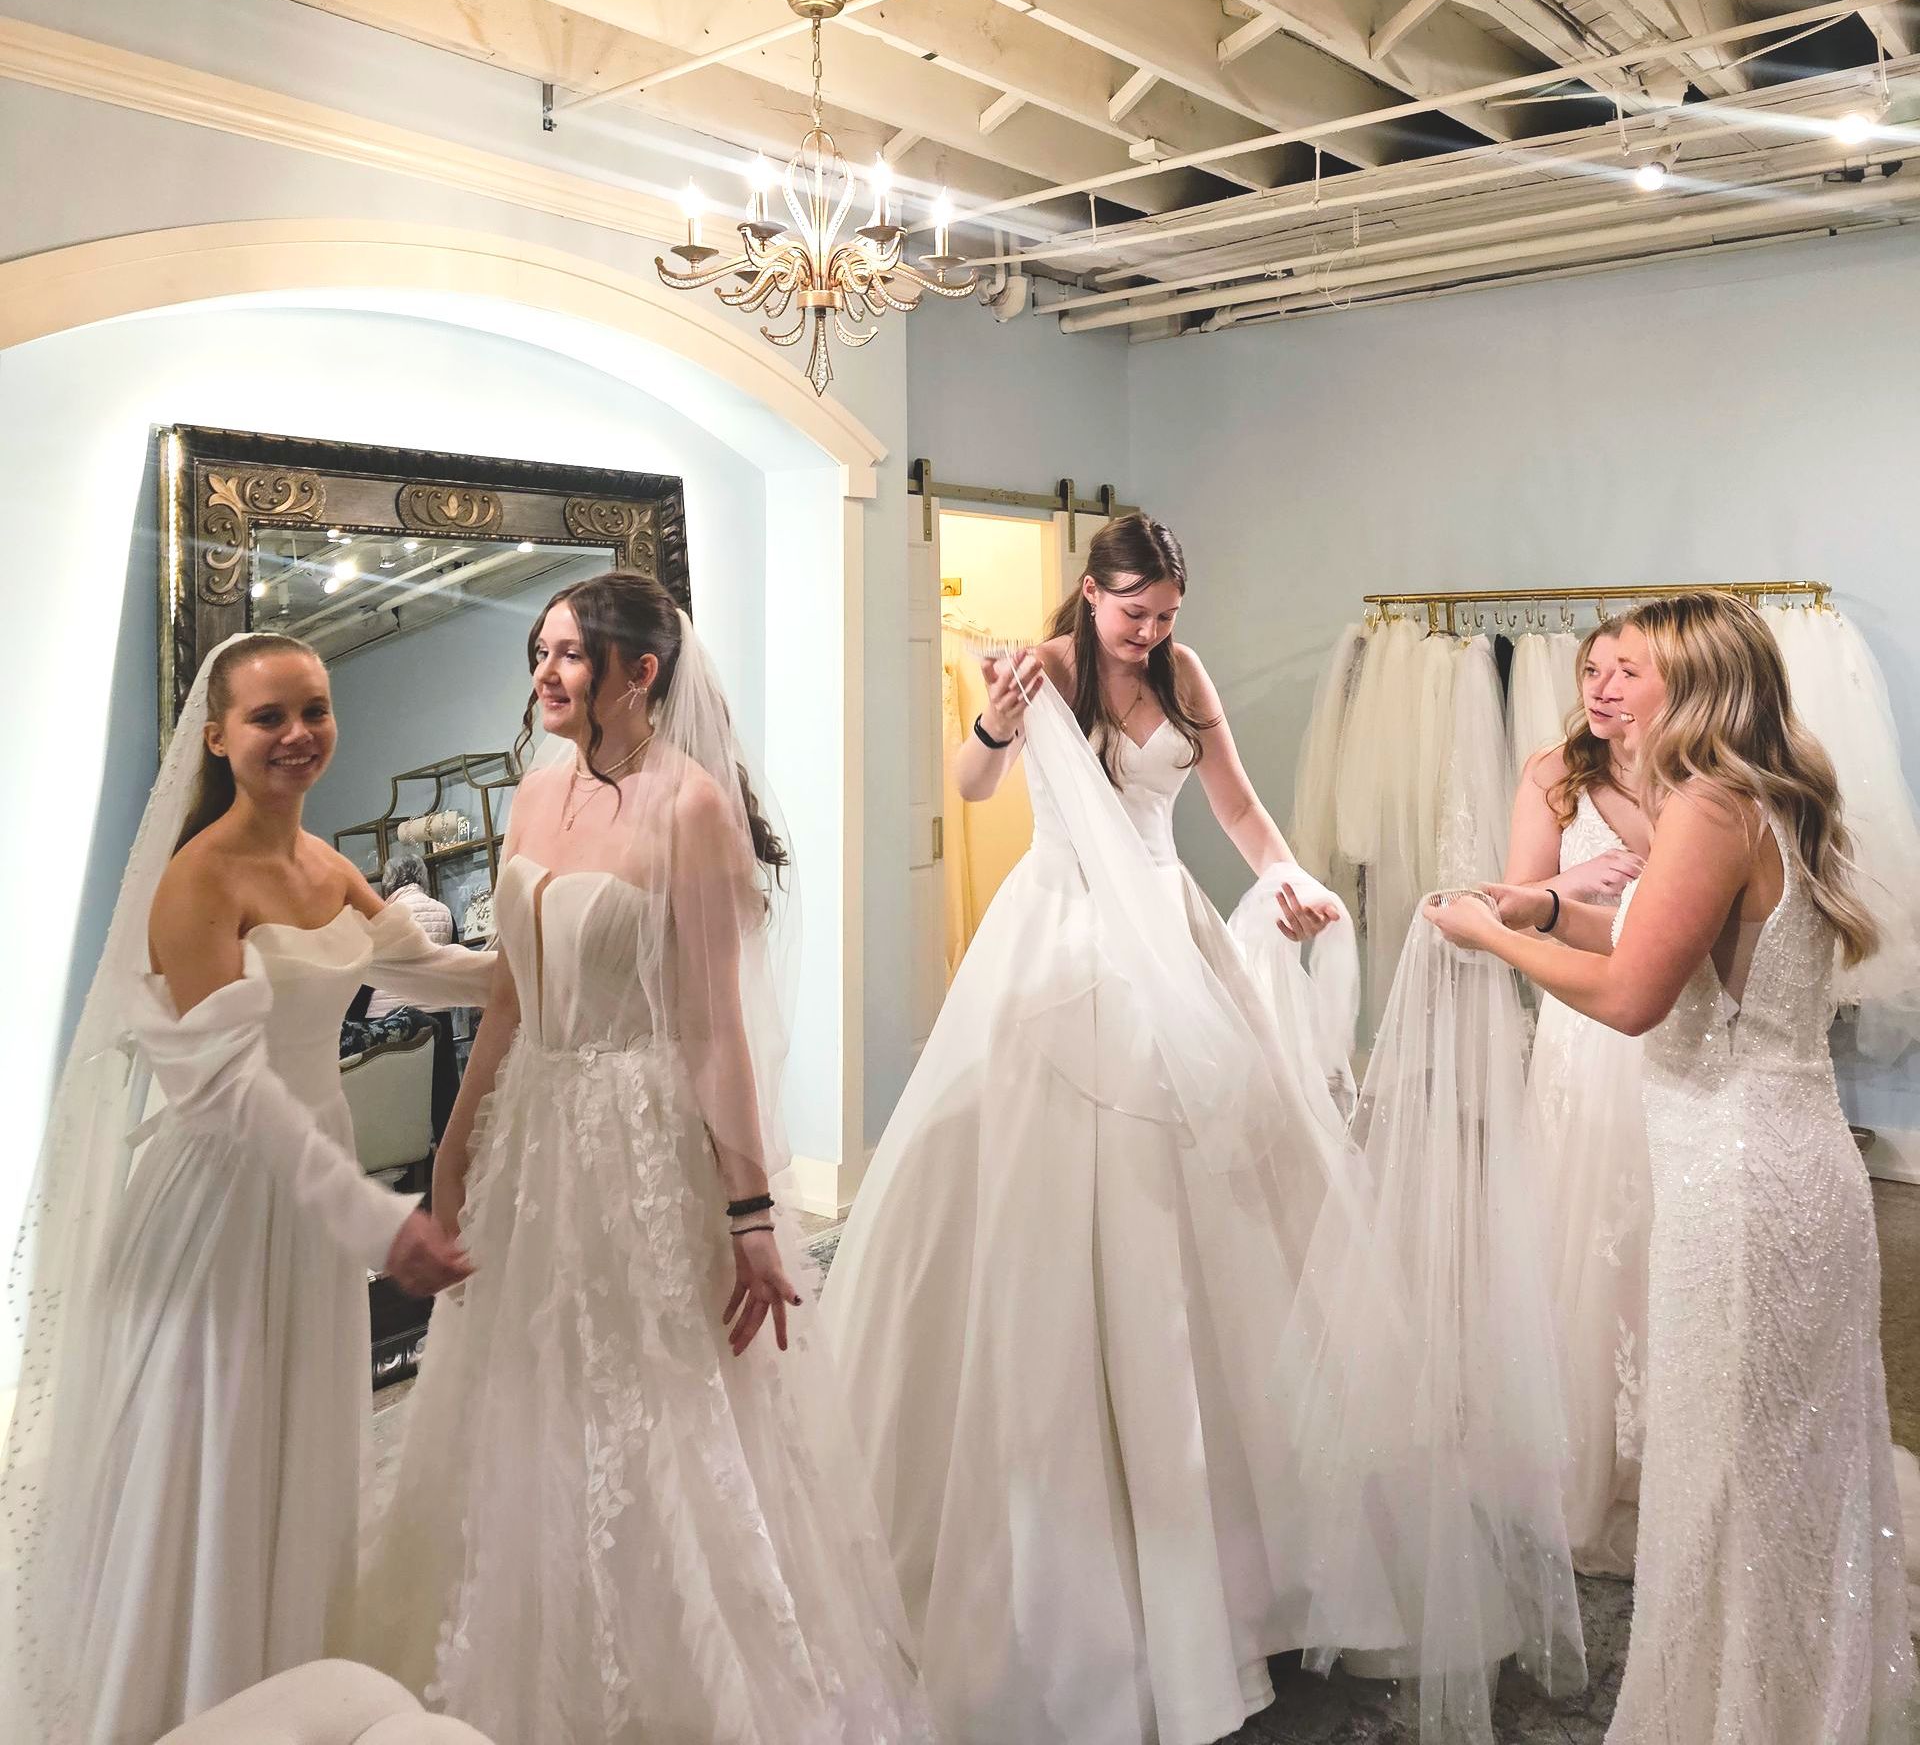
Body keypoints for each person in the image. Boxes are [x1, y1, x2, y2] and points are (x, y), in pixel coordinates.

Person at [359, 575, 929, 1745]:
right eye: (540, 652)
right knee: (522, 1396)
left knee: (657, 1409)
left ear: (640, 672)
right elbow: (510, 1000)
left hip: (639, 1139)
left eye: (569, 655)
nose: (545, 675)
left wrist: (754, 1213)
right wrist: (454, 1150)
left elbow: (715, 1029)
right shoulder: (534, 792)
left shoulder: (691, 809)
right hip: (534, 1134)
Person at [822, 514, 1362, 1745]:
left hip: (1166, 926)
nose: (1153, 630)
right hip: (1062, 941)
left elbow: (1235, 807)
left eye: (1167, 611)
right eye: (1135, 611)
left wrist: (1289, 881)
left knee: (1208, 1206)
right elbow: (971, 782)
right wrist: (997, 718)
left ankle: (1231, 1550)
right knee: (1049, 1195)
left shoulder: (1183, 673)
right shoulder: (1041, 664)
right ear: (1091, 594)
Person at [1432, 591, 1916, 1745]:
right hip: (1774, 1164)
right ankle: (1792, 1703)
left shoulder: (1705, 801)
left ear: (1688, 681)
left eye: (1631, 667)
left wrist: (1493, 937)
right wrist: (1540, 901)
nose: (1606, 686)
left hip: (1743, 1179)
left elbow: (1637, 997)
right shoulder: (1761, 789)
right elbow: (1659, 930)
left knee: (1734, 1487)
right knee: (1767, 1476)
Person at [0, 632, 490, 1745]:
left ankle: (286, 1675)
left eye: (314, 710)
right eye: (269, 717)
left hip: (308, 1176)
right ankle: (184, 1699)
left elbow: (412, 967)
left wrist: (554, 965)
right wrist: (377, 1217)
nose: (298, 734)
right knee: (213, 1442)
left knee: (300, 1435)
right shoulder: (197, 880)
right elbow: (232, 1090)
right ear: (216, 736)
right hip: (222, 1193)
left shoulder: (326, 866)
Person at [1505, 626, 1651, 1576]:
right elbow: (1511, 900)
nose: (1600, 688)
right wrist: (1573, 882)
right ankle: (1580, 1455)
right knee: (1579, 1229)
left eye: (1625, 672)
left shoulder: (1701, 777)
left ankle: (1663, 1454)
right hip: (1579, 1034)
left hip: (1666, 1024)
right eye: (1590, 670)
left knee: (1657, 1233)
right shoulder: (1554, 770)